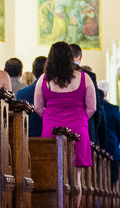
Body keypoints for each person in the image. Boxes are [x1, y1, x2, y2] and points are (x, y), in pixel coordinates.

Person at [33, 42, 96, 176]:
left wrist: (51, 117)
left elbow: (38, 107)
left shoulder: (43, 79)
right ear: (70, 58)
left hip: (52, 127)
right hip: (78, 128)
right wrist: (79, 118)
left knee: (52, 175)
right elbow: (92, 108)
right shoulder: (85, 78)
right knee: (76, 177)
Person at [15, 56, 47, 137]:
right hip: (48, 135)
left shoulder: (21, 93)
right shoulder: (51, 92)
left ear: (33, 72)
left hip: (27, 137)